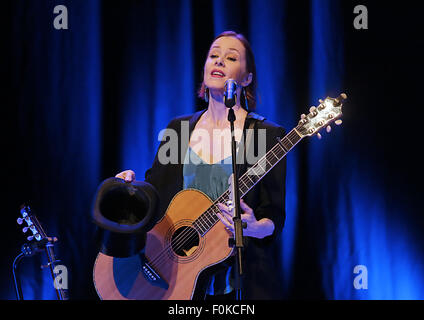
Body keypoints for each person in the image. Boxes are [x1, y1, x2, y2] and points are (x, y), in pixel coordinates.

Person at [116, 31, 287, 300]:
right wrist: (130, 190)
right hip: (174, 276)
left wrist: (255, 226)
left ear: (247, 78)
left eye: (231, 57)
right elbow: (155, 198)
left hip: (234, 280)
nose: (219, 61)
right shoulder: (178, 129)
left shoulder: (266, 135)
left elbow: (274, 216)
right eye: (213, 55)